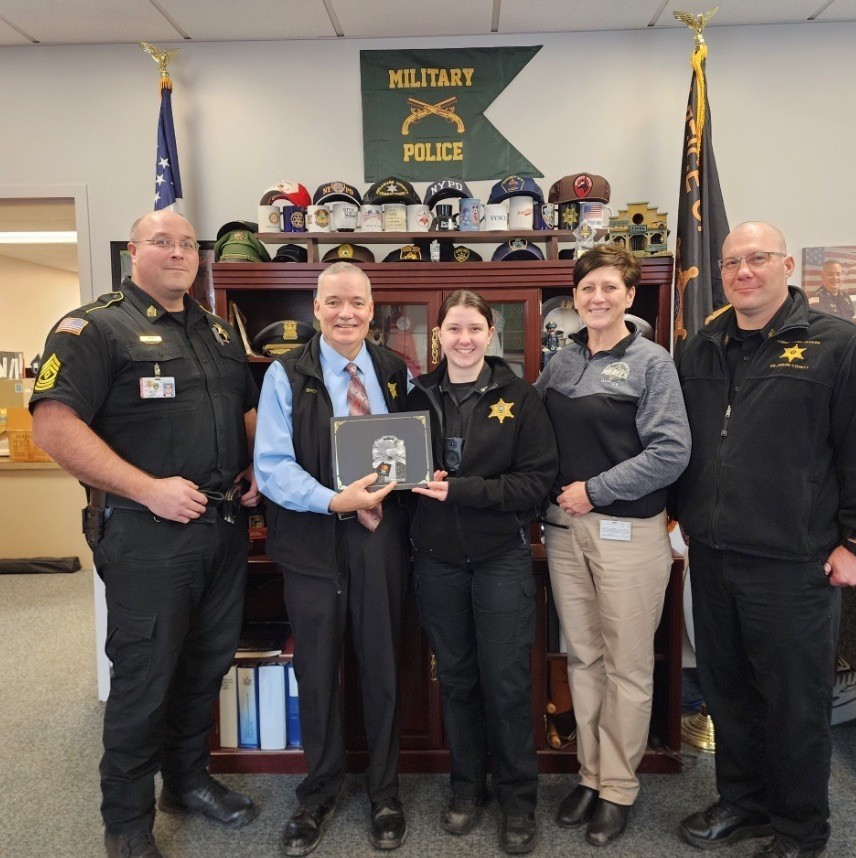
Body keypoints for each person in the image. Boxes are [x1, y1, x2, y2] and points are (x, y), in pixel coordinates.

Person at [30, 209, 261, 858]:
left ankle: (185, 784)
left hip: (221, 526)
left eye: (188, 244)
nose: (178, 252)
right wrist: (145, 488)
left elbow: (242, 410)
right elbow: (53, 426)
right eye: (162, 241)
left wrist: (254, 470)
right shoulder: (94, 327)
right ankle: (127, 827)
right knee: (144, 677)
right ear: (134, 251)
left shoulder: (217, 330)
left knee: (205, 665)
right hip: (146, 533)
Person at [675, 222, 856, 858]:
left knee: (794, 704)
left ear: (783, 266)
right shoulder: (701, 347)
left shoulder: (839, 346)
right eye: (731, 263)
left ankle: (802, 831)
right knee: (729, 692)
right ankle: (745, 805)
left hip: (796, 565)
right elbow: (685, 444)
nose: (743, 271)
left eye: (757, 259)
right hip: (715, 557)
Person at [534, 245, 691, 847]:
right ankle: (591, 774)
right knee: (583, 658)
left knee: (627, 665)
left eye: (609, 288)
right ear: (574, 298)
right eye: (586, 289)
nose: (596, 298)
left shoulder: (653, 363)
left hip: (626, 532)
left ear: (629, 295)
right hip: (563, 532)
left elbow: (672, 454)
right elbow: (534, 430)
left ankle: (620, 787)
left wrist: (594, 492)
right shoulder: (562, 362)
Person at [254, 261, 410, 855]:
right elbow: (271, 466)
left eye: (358, 303)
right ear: (315, 309)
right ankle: (317, 794)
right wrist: (332, 501)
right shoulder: (283, 375)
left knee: (383, 666)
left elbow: (407, 447)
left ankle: (386, 792)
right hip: (312, 542)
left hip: (380, 545)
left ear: (372, 310)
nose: (347, 312)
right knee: (316, 672)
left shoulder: (395, 371)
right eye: (334, 302)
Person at [407, 291, 558, 854]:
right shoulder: (415, 394)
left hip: (501, 558)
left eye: (474, 328)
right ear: (437, 335)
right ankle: (467, 788)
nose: (464, 339)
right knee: (457, 678)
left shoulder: (521, 397)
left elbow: (536, 482)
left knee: (507, 681)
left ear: (491, 334)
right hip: (437, 560)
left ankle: (519, 798)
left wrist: (461, 490)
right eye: (453, 328)